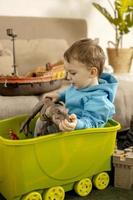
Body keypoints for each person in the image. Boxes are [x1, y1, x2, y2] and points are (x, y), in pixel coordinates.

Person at [44, 38, 118, 132]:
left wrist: (77, 124)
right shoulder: (79, 85)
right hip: (69, 124)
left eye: (73, 73)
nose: (68, 77)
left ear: (92, 72)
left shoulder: (98, 99)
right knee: (44, 119)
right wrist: (59, 95)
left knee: (46, 126)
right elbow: (70, 92)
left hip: (83, 136)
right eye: (67, 72)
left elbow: (93, 122)